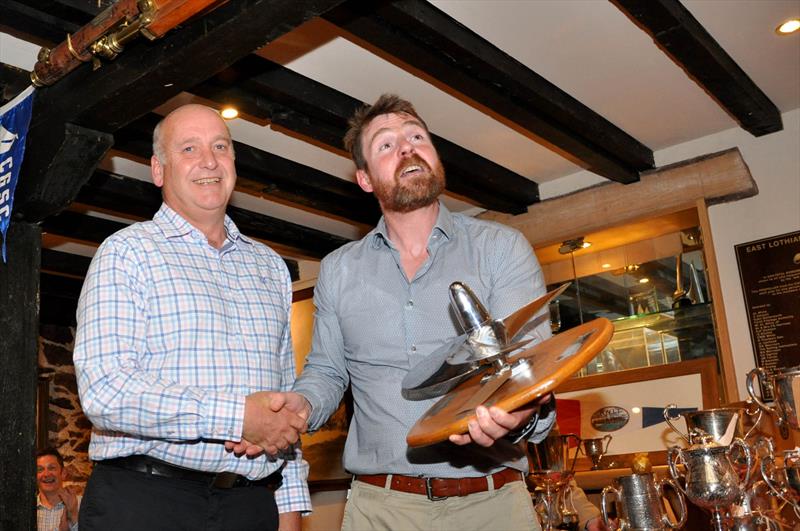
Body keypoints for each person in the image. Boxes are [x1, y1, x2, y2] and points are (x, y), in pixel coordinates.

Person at [257, 94, 555, 530]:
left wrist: (518, 417)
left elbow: (532, 366)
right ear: (364, 178)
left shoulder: (500, 248)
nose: (407, 148)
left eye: (417, 136)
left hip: (491, 505)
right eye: (386, 144)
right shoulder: (339, 269)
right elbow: (327, 371)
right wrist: (297, 407)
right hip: (382, 509)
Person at [73, 104, 310, 531]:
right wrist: (236, 416)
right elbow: (105, 392)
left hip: (252, 507)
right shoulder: (127, 252)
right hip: (147, 504)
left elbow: (282, 398)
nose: (209, 160)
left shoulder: (271, 266)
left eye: (221, 146)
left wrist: (290, 503)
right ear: (158, 170)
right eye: (189, 148)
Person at [36, 447, 80, 531]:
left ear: (63, 473)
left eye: (51, 468)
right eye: (40, 470)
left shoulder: (81, 505)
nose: (46, 474)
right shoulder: (26, 510)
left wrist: (73, 515)